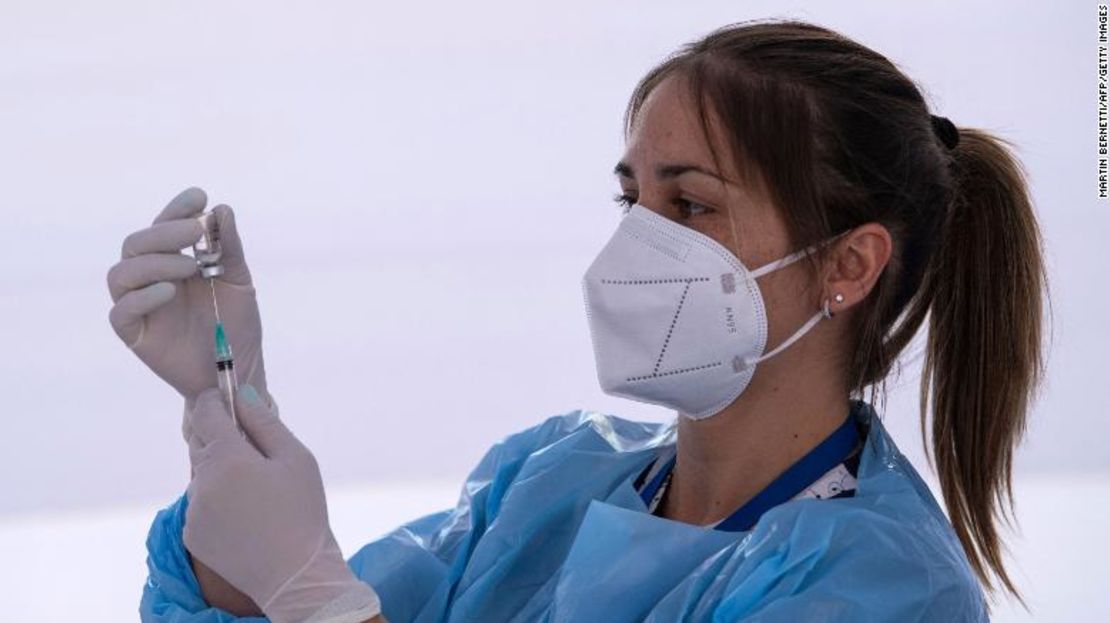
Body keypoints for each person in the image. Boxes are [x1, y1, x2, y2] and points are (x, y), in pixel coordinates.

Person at [109, 18, 1047, 623]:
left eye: (690, 207)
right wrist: (230, 408)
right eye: (630, 198)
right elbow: (280, 602)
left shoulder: (884, 591)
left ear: (846, 264)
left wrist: (318, 598)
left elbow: (328, 606)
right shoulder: (554, 481)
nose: (638, 246)